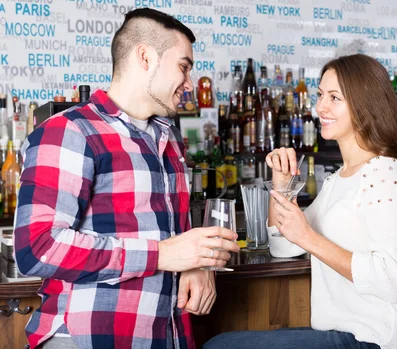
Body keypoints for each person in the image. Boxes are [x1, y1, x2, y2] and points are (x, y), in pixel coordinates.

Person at [14, 8, 239, 349]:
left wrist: (195, 265)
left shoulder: (169, 138)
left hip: (166, 334)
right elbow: (38, 248)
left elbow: (171, 236)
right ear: (145, 57)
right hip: (88, 337)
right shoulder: (71, 131)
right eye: (184, 67)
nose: (190, 84)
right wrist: (161, 255)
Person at [203, 54, 397, 349]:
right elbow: (283, 245)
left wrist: (309, 238)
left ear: (366, 105)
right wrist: (281, 182)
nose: (321, 107)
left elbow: (392, 281)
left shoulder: (385, 174)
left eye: (335, 97)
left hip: (380, 340)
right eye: (321, 95)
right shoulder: (339, 179)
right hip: (347, 334)